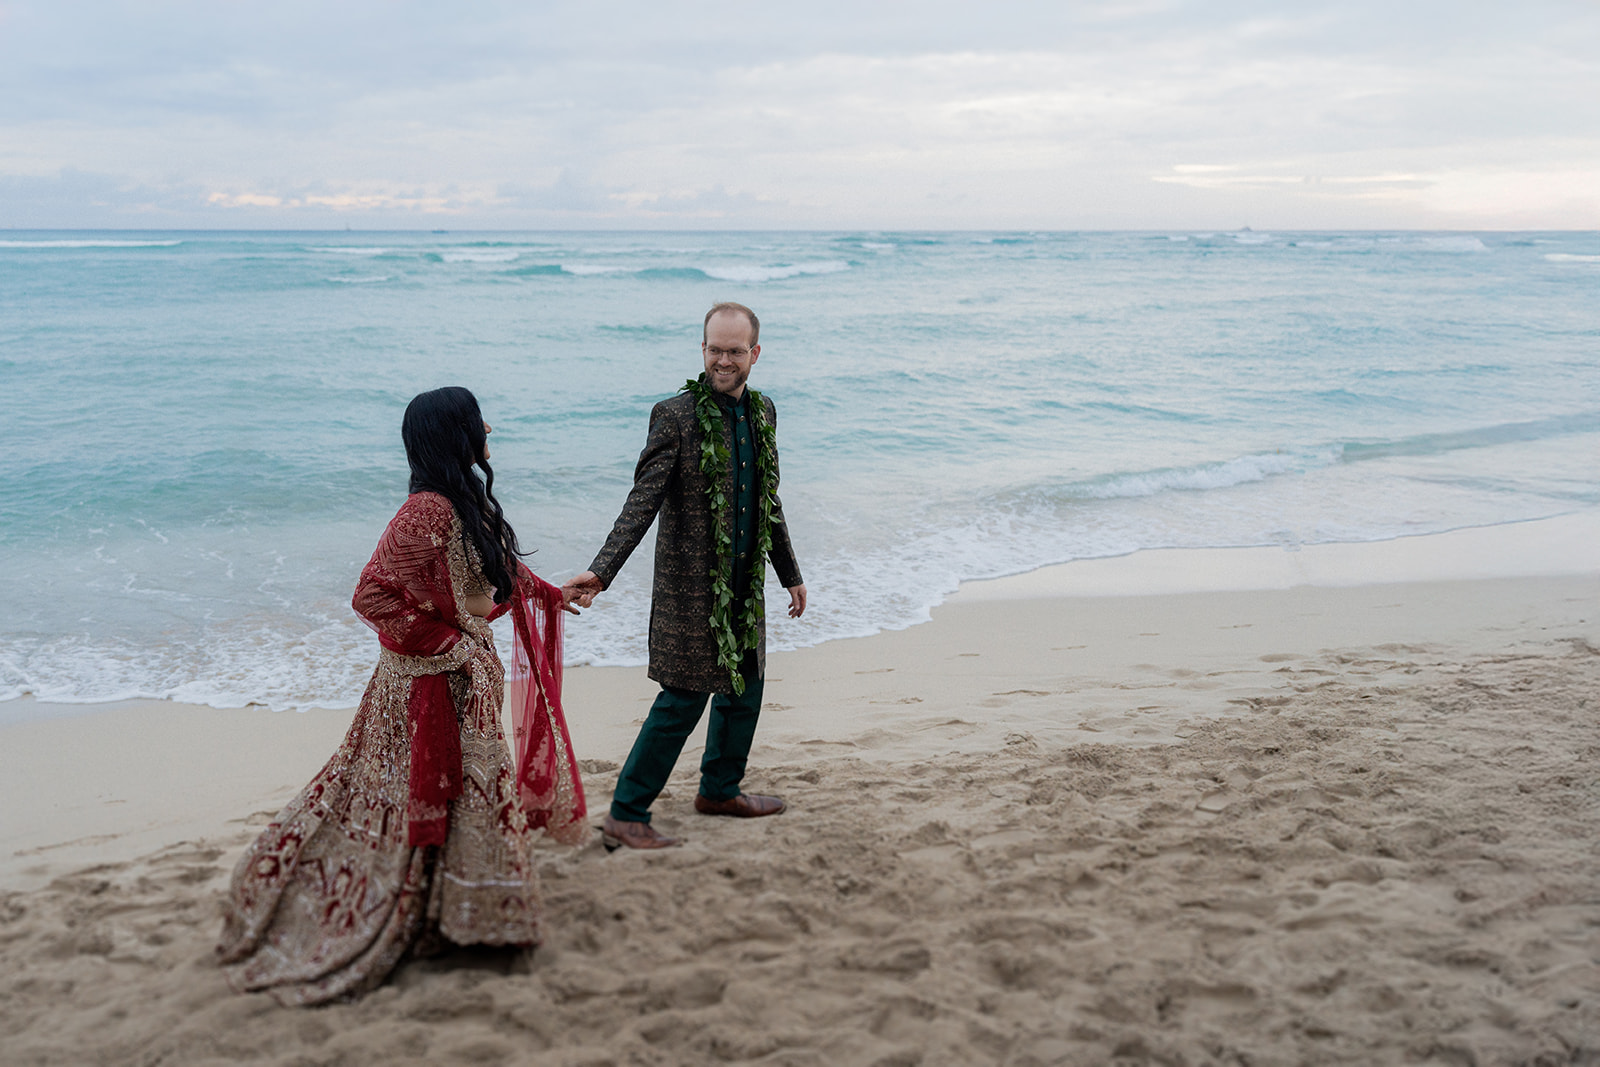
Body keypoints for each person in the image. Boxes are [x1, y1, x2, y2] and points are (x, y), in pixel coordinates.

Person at [217, 386, 587, 1005]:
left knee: (469, 798)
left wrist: (555, 594)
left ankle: (462, 919)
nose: (488, 428)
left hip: (461, 683)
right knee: (406, 796)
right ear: (455, 433)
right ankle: (414, 916)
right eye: (478, 420)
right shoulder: (424, 513)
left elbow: (494, 573)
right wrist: (455, 646)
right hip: (425, 689)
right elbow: (371, 596)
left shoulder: (461, 500)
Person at [565, 302, 806, 850]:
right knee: (681, 700)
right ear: (702, 349)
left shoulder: (763, 412)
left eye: (735, 351)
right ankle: (626, 812)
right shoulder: (674, 416)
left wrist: (788, 572)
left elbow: (767, 499)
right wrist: (601, 572)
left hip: (745, 584)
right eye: (714, 349)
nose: (723, 360)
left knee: (745, 688)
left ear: (755, 353)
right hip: (690, 590)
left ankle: (720, 790)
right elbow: (641, 502)